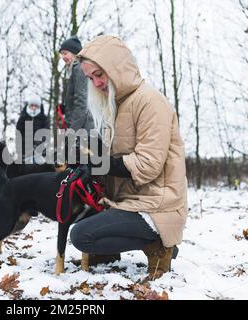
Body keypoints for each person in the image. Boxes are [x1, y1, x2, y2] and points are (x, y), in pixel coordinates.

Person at [69, 35, 188, 280]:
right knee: (79, 219)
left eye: (99, 74)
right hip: (129, 200)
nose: (96, 83)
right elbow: (109, 158)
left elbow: (148, 165)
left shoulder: (150, 101)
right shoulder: (116, 105)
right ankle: (109, 250)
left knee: (82, 235)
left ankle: (159, 245)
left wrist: (101, 163)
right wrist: (86, 163)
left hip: (156, 205)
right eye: (90, 78)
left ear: (117, 68)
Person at [59, 36, 94, 131]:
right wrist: (65, 107)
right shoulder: (73, 70)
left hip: (83, 128)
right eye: (61, 54)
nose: (63, 57)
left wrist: (72, 130)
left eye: (65, 53)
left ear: (75, 53)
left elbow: (81, 103)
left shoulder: (79, 68)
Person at [15, 94, 50, 163]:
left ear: (39, 106)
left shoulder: (44, 118)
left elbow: (46, 133)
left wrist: (38, 145)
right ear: (29, 105)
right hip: (25, 151)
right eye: (32, 105)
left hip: (39, 151)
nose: (34, 108)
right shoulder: (23, 118)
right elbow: (18, 134)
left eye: (36, 106)